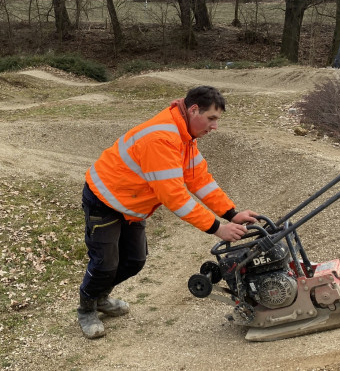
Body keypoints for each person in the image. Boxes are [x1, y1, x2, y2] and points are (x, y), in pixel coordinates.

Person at [77, 85, 259, 339]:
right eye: (211, 119)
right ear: (194, 110)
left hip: (133, 206)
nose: (214, 126)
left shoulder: (185, 136)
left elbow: (200, 180)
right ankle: (87, 307)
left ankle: (100, 296)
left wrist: (231, 213)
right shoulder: (162, 139)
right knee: (105, 264)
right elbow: (174, 197)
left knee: (134, 261)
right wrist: (218, 228)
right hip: (104, 202)